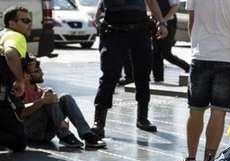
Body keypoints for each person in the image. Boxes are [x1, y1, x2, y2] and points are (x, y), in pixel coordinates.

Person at [184, 0, 230, 161]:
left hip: (201, 56)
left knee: (196, 110)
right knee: (218, 111)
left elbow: (191, 21)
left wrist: (197, 47)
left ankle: (190, 160)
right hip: (228, 58)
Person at [92, 0, 169, 141]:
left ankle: (142, 118)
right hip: (113, 29)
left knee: (143, 74)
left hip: (139, 30)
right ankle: (99, 122)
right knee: (110, 75)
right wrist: (96, 17)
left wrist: (161, 22)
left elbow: (151, 1)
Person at [21, 59, 105, 148]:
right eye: (37, 71)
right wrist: (42, 101)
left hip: (47, 132)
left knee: (65, 97)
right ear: (26, 76)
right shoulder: (19, 91)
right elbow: (20, 112)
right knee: (48, 99)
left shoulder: (41, 91)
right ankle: (65, 135)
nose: (42, 73)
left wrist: (60, 118)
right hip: (31, 133)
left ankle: (86, 134)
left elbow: (53, 108)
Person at [1, 6, 33, 152]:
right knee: (19, 141)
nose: (29, 24)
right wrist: (20, 80)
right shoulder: (16, 36)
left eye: (30, 20)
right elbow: (11, 53)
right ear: (12, 24)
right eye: (25, 20)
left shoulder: (3, 34)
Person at [151, 0, 189, 83]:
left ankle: (187, 67)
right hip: (156, 21)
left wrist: (163, 21)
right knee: (156, 51)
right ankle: (158, 78)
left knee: (165, 53)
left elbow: (174, 7)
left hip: (169, 22)